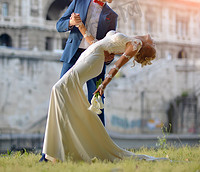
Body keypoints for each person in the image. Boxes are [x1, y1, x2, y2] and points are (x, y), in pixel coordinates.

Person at [41, 24, 169, 163]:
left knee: (59, 89)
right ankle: (63, 147)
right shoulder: (131, 39)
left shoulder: (136, 44)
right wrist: (82, 28)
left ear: (147, 46)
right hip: (90, 54)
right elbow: (99, 44)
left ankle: (60, 148)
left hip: (93, 60)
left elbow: (117, 65)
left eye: (154, 44)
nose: (154, 40)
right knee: (62, 91)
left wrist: (103, 84)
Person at [56, 0, 121, 125]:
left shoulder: (112, 16)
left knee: (97, 98)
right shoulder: (78, 2)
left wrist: (109, 57)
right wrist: (71, 22)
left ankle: (100, 142)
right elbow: (59, 25)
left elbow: (109, 43)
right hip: (73, 55)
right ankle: (60, 134)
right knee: (62, 92)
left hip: (95, 58)